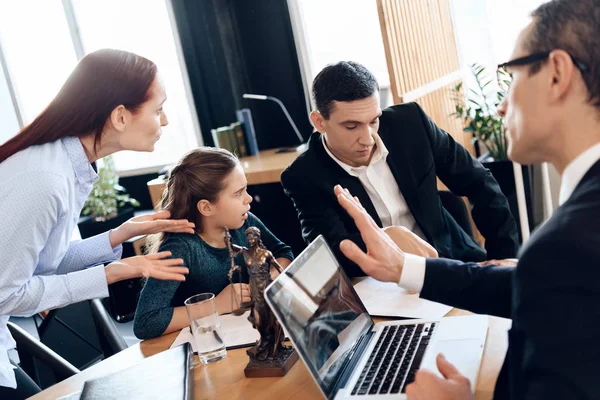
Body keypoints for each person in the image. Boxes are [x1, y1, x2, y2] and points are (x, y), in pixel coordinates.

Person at [334, 1, 600, 398]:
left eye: (511, 76)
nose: (501, 104)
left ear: (557, 74)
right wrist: (404, 267)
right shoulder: (572, 241)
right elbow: (544, 285)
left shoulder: (564, 246)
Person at [0, 49, 196, 398]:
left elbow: (41, 263)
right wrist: (113, 273)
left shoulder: (66, 165)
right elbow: (7, 295)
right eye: (158, 109)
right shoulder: (45, 179)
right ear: (121, 116)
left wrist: (119, 235)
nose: (164, 122)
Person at [281, 61, 519, 277]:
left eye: (374, 120)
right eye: (351, 126)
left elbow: (479, 182)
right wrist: (386, 238)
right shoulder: (303, 176)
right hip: (380, 287)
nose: (368, 139)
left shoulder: (411, 124)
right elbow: (332, 253)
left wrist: (505, 256)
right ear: (319, 122)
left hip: (452, 264)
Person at [133, 148, 294, 340]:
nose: (249, 198)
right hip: (204, 347)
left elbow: (282, 252)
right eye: (238, 193)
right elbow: (146, 322)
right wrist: (217, 305)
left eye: (246, 189)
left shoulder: (245, 221)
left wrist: (267, 280)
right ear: (206, 207)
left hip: (246, 331)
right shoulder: (180, 248)